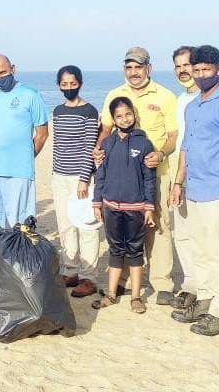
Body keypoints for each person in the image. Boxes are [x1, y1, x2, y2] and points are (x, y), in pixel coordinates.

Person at [168, 45, 219, 336]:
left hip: (218, 189)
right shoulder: (193, 107)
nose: (201, 75)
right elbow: (186, 149)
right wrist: (178, 182)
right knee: (199, 250)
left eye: (207, 70)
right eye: (197, 70)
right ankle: (204, 302)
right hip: (194, 188)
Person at [96, 47, 179, 306]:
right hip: (120, 178)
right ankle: (121, 282)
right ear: (124, 70)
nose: (134, 72)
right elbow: (106, 130)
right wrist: (98, 155)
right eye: (129, 67)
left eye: (138, 67)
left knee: (157, 226)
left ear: (148, 69)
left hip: (156, 172)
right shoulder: (114, 95)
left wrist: (161, 154)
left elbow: (173, 135)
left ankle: (162, 282)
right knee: (120, 234)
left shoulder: (165, 96)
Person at [91, 97, 156, 314]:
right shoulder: (106, 144)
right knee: (115, 249)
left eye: (128, 114)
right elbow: (100, 176)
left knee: (135, 251)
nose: (124, 119)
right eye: (119, 116)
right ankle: (111, 293)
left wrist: (149, 207)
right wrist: (97, 202)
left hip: (136, 208)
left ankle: (136, 297)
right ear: (113, 118)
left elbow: (149, 179)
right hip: (111, 207)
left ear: (134, 115)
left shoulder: (144, 143)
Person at [0, 55, 48, 229]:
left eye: (3, 72)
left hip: (20, 171)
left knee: (20, 224)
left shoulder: (30, 95)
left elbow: (42, 134)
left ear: (12, 69)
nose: (0, 77)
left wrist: (26, 156)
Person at [49, 65, 100, 298]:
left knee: (86, 226)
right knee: (65, 225)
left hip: (81, 179)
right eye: (64, 84)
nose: (68, 87)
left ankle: (89, 277)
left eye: (72, 83)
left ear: (80, 83)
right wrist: (54, 174)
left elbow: (89, 147)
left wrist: (83, 180)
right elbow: (58, 145)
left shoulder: (89, 111)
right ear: (59, 85)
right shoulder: (58, 111)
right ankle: (71, 270)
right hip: (59, 176)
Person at [169, 46, 200, 310]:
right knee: (182, 234)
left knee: (205, 236)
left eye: (186, 64)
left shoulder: (207, 97)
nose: (183, 70)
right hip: (178, 175)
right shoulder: (180, 100)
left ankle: (206, 289)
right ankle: (191, 284)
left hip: (202, 177)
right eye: (178, 66)